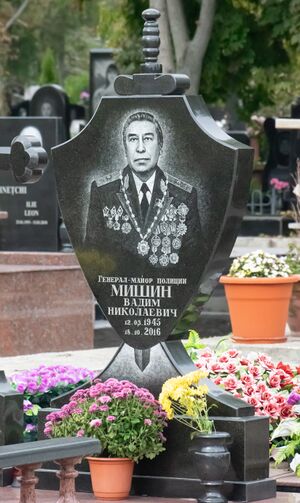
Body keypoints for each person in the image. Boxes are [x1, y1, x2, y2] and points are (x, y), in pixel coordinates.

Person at [84, 111, 202, 269]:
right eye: (133, 139)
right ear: (125, 148)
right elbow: (93, 254)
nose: (140, 148)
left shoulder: (183, 195)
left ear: (160, 145)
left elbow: (195, 259)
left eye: (147, 138)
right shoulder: (104, 191)